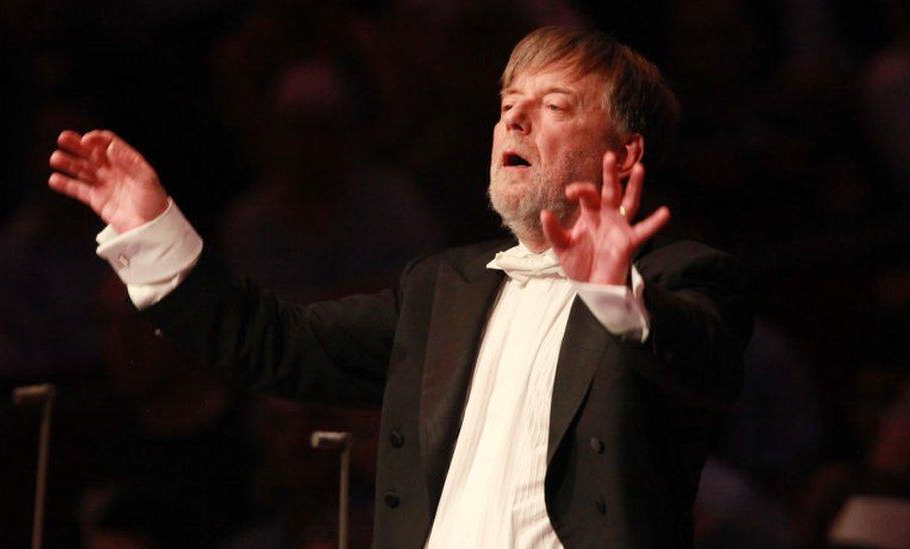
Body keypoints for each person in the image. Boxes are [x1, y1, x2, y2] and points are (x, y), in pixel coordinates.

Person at [48, 26, 752, 548]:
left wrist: (615, 295)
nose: (513, 118)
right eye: (509, 102)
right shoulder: (442, 290)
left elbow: (700, 360)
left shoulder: (679, 279)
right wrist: (152, 230)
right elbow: (275, 343)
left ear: (623, 152)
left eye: (555, 105)